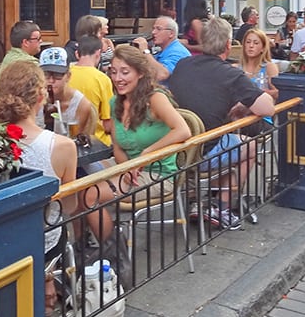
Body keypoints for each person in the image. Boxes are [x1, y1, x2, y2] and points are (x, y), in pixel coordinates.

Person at [168, 17, 275, 229]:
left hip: (176, 148)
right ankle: (223, 207)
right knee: (249, 146)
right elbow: (267, 108)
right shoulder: (231, 74)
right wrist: (244, 106)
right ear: (228, 45)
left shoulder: (182, 65)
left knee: (229, 141)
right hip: (204, 152)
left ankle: (199, 201)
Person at [0, 60, 78, 311]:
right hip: (43, 243)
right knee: (60, 226)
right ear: (41, 96)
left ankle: (45, 281)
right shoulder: (63, 146)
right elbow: (70, 206)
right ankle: (48, 279)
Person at [109, 45, 191, 203]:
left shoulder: (155, 98)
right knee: (78, 181)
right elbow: (117, 147)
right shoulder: (115, 102)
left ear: (140, 73)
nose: (118, 78)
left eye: (125, 72)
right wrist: (126, 168)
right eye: (113, 72)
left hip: (158, 174)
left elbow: (183, 130)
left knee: (90, 195)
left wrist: (146, 154)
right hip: (127, 168)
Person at [36, 46, 94, 136]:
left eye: (57, 75)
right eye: (46, 75)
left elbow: (79, 138)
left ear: (68, 76)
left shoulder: (81, 105)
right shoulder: (33, 100)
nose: (51, 80)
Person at [69, 35, 114, 145]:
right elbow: (107, 122)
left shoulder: (65, 75)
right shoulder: (102, 79)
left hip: (69, 138)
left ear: (76, 54)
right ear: (98, 53)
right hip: (96, 141)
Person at [131, 15, 191, 84]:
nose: (153, 32)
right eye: (153, 28)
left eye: (158, 29)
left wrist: (145, 51)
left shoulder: (177, 52)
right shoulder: (162, 51)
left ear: (171, 33)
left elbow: (161, 75)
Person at [0, 20, 41, 88]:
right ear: (26, 42)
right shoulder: (29, 63)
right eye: (38, 38)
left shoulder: (9, 56)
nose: (41, 41)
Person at [240, 29, 279, 101]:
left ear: (263, 48)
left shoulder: (269, 67)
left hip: (262, 108)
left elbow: (277, 93)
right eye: (248, 42)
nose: (251, 46)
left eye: (256, 43)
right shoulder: (235, 68)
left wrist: (259, 93)